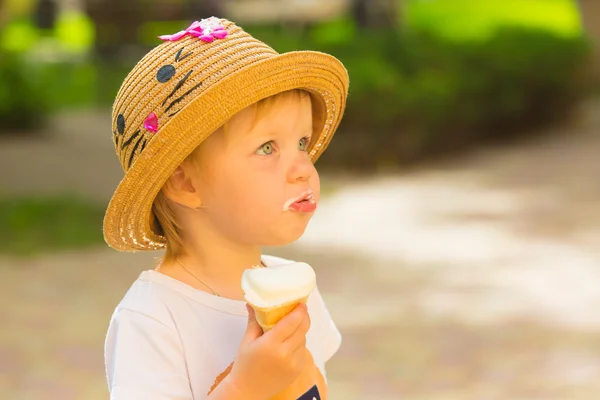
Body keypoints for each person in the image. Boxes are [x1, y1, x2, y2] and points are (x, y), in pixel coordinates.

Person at [103, 16, 349, 399]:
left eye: (302, 142)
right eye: (268, 147)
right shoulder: (153, 318)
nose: (304, 168)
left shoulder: (293, 287)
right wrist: (245, 387)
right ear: (185, 183)